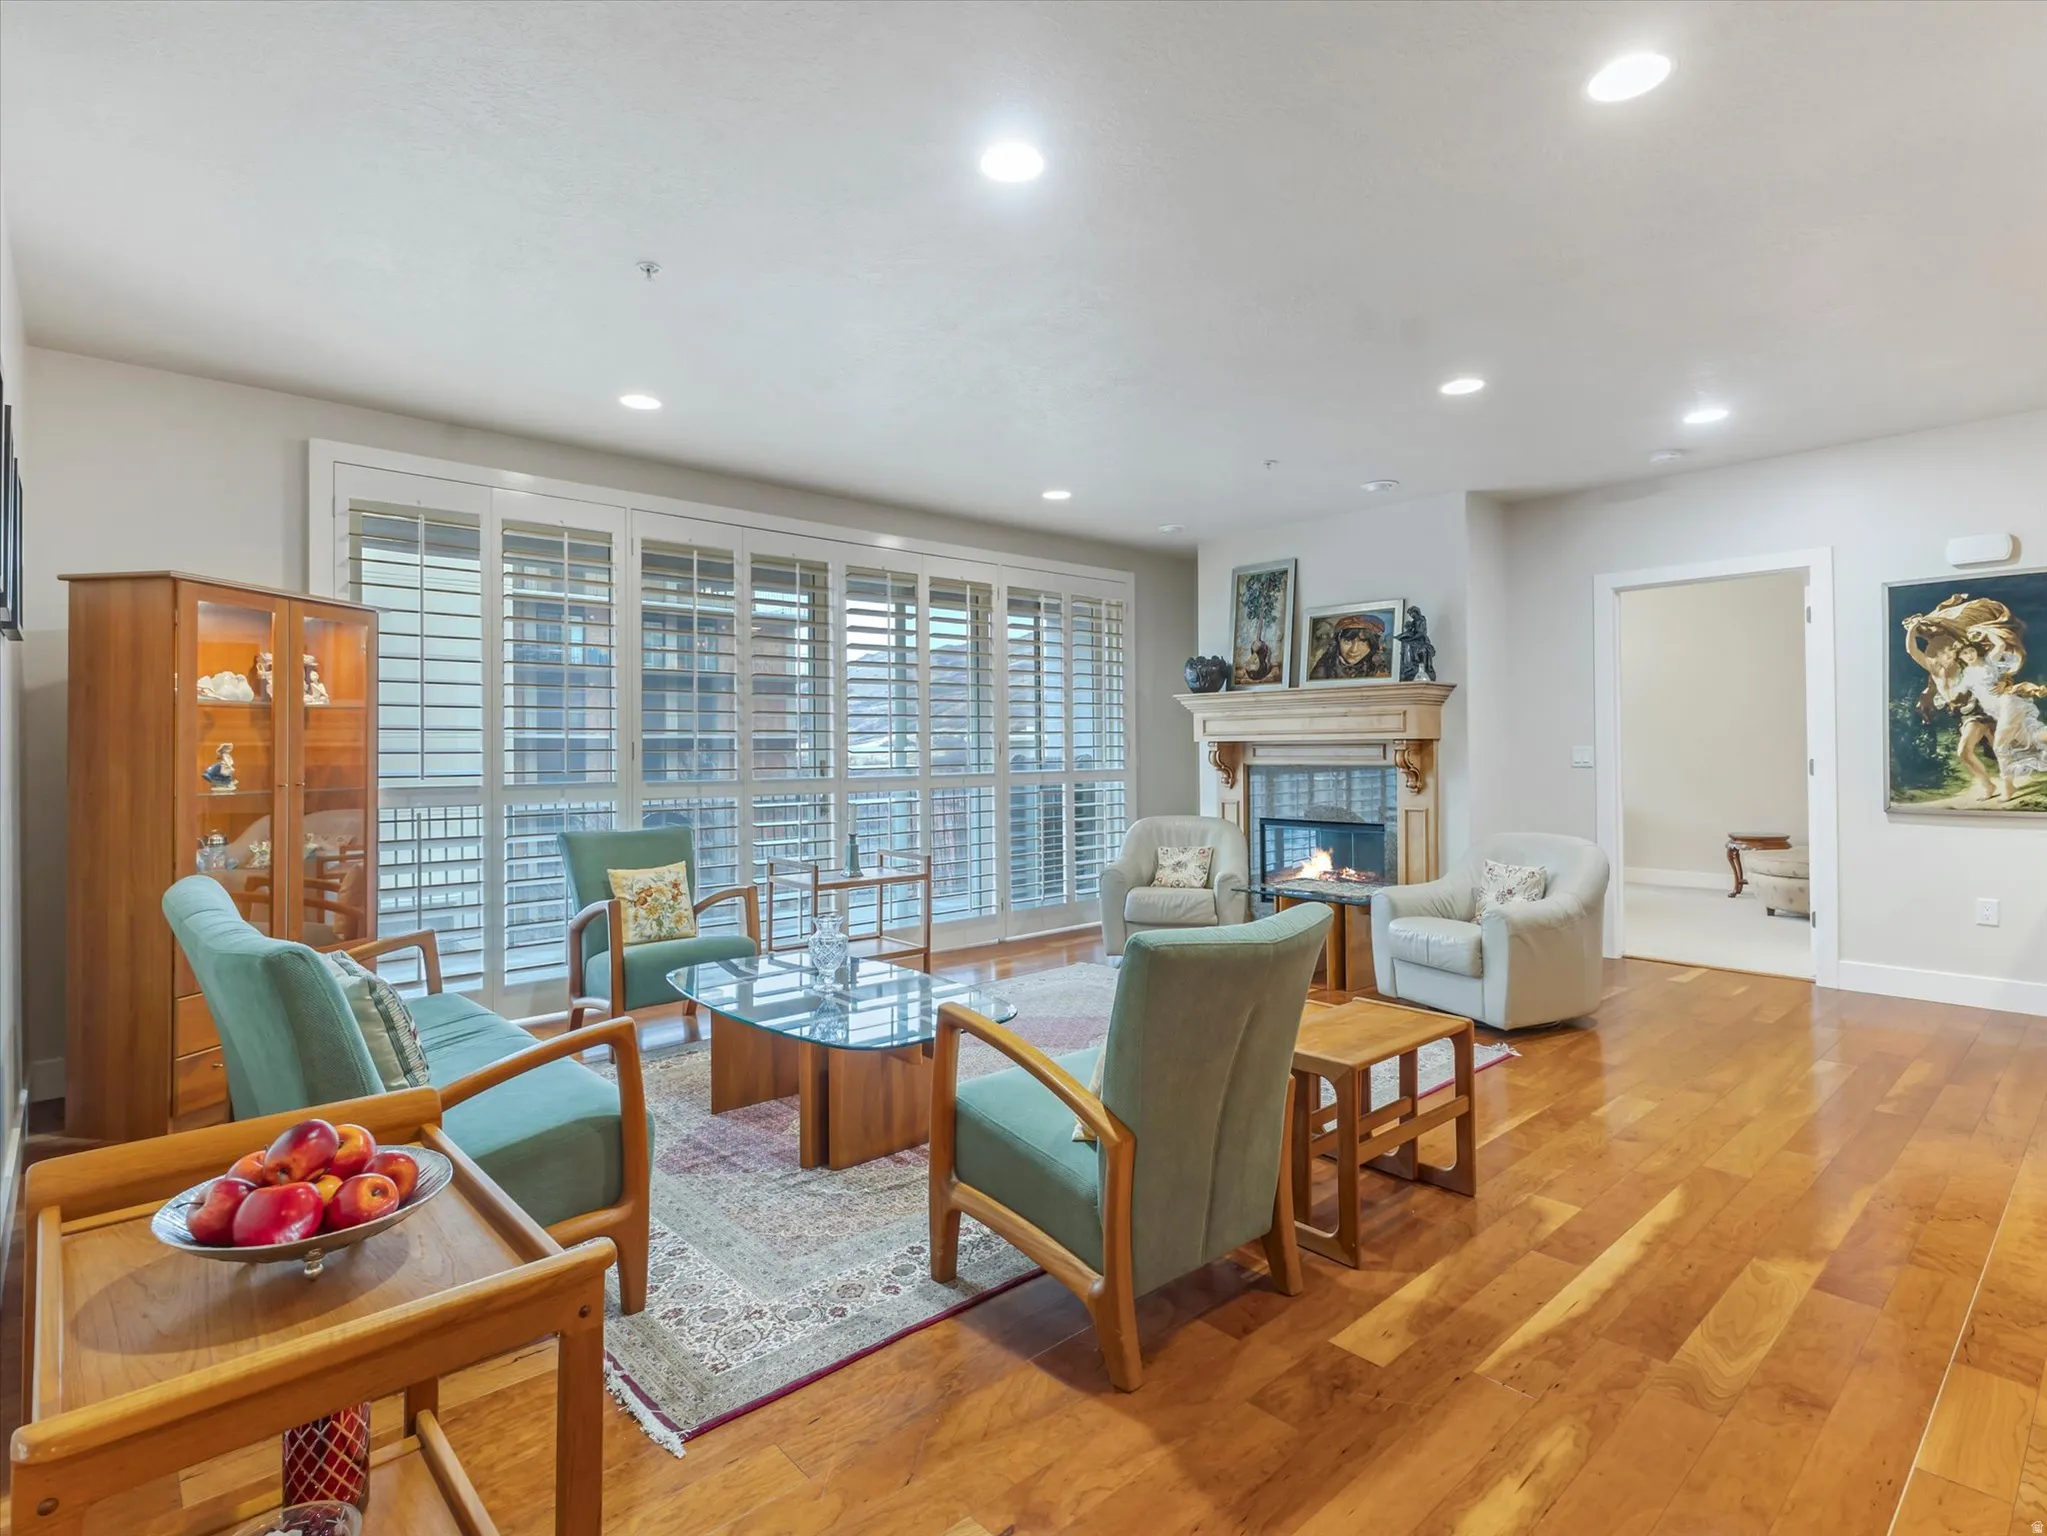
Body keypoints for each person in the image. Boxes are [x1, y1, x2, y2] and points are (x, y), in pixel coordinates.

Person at [1308, 613, 1387, 680]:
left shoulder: (1378, 666)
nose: (1354, 650)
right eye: (1347, 641)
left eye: (1363, 642)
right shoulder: (1323, 670)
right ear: (1337, 642)